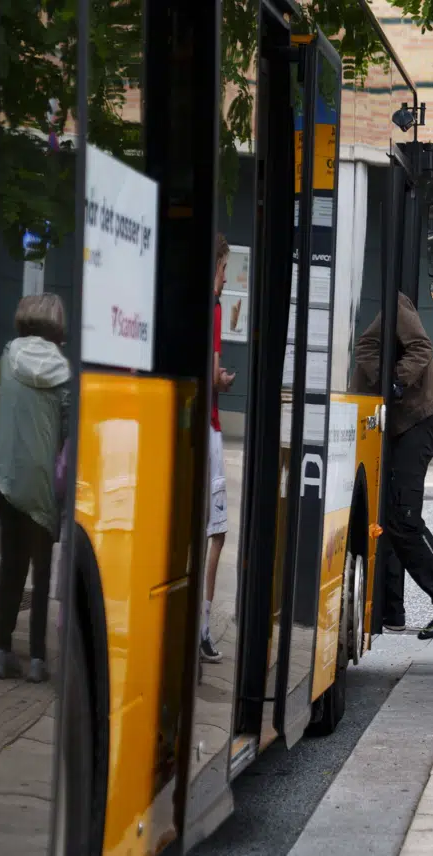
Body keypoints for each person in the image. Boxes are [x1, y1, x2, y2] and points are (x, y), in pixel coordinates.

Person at [350, 292, 433, 640]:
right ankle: (393, 611)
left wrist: (394, 381)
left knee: (404, 519)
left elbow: (421, 346)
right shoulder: (373, 307)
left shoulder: (394, 303)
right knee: (392, 517)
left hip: (416, 422)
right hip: (399, 425)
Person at [0, 293, 72, 684]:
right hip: (43, 486)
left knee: (10, 567)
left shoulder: (7, 357)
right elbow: (67, 433)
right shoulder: (63, 373)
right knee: (41, 575)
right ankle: (37, 659)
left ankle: (1, 650)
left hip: (7, 479)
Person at [201, 234, 236, 665]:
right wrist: (222, 381)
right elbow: (211, 375)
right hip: (209, 427)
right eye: (225, 268)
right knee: (217, 531)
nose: (226, 277)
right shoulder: (212, 308)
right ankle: (204, 628)